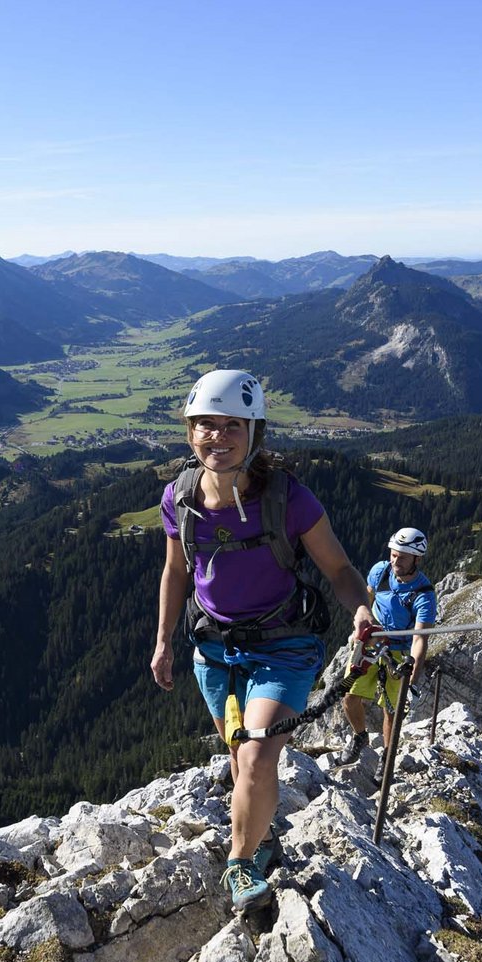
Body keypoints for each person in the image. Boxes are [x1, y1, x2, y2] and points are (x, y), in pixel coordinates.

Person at [151, 369, 376, 913]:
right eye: (206, 424)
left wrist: (363, 606)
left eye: (232, 425)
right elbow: (176, 572)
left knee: (253, 756)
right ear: (189, 431)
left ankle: (241, 862)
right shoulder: (179, 500)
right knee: (240, 755)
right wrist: (163, 642)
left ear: (255, 433)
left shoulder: (289, 500)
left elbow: (339, 568)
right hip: (213, 649)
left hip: (283, 648)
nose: (217, 436)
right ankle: (260, 836)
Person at [336, 527, 438, 767]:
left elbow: (420, 638)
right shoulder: (380, 570)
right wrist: (360, 628)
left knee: (391, 711)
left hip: (399, 653)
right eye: (393, 554)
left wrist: (413, 676)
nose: (395, 561)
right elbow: (367, 598)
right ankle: (360, 736)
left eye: (402, 557)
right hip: (371, 644)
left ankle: (387, 757)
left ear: (417, 559)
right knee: (348, 697)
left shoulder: (424, 595)